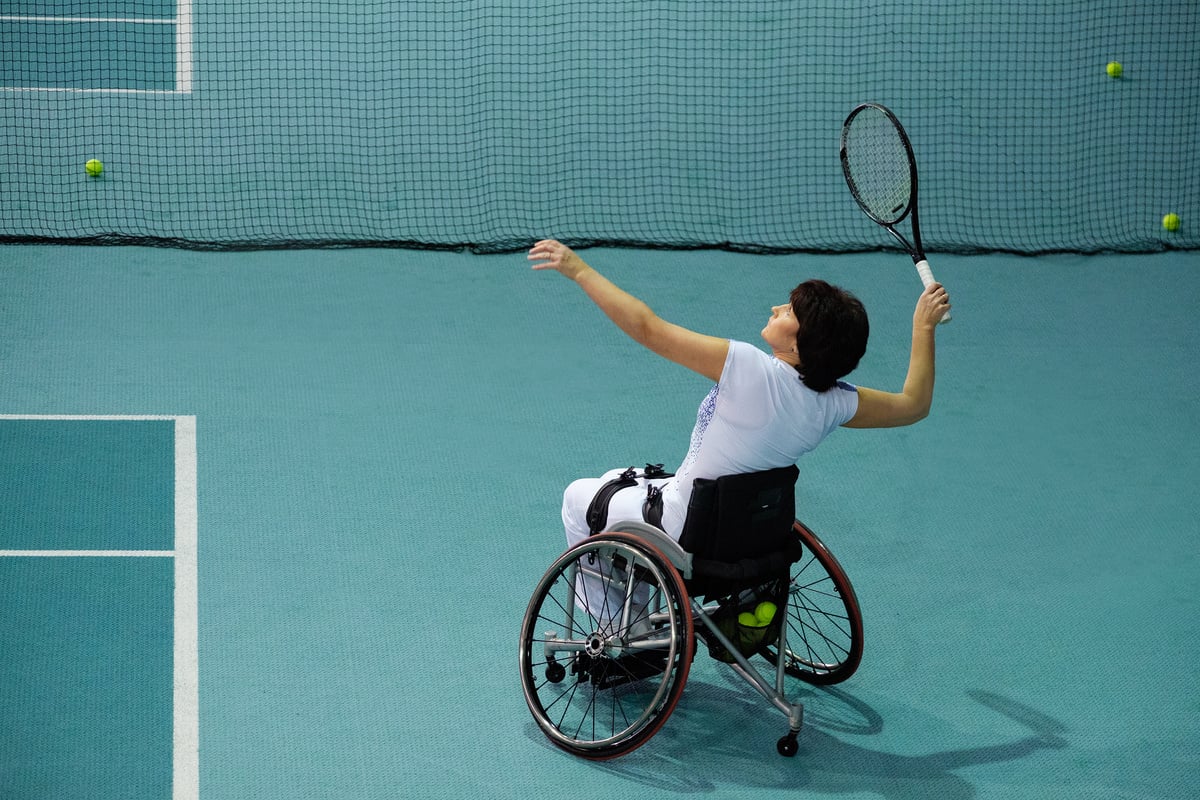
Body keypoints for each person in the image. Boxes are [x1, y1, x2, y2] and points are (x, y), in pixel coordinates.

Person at [527, 239, 951, 554]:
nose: (774, 309)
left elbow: (647, 328)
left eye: (788, 311)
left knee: (579, 497)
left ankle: (620, 626)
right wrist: (923, 327)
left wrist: (579, 269)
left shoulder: (749, 368)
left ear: (802, 343)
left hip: (684, 526)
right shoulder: (835, 403)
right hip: (748, 532)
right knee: (617, 476)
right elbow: (915, 404)